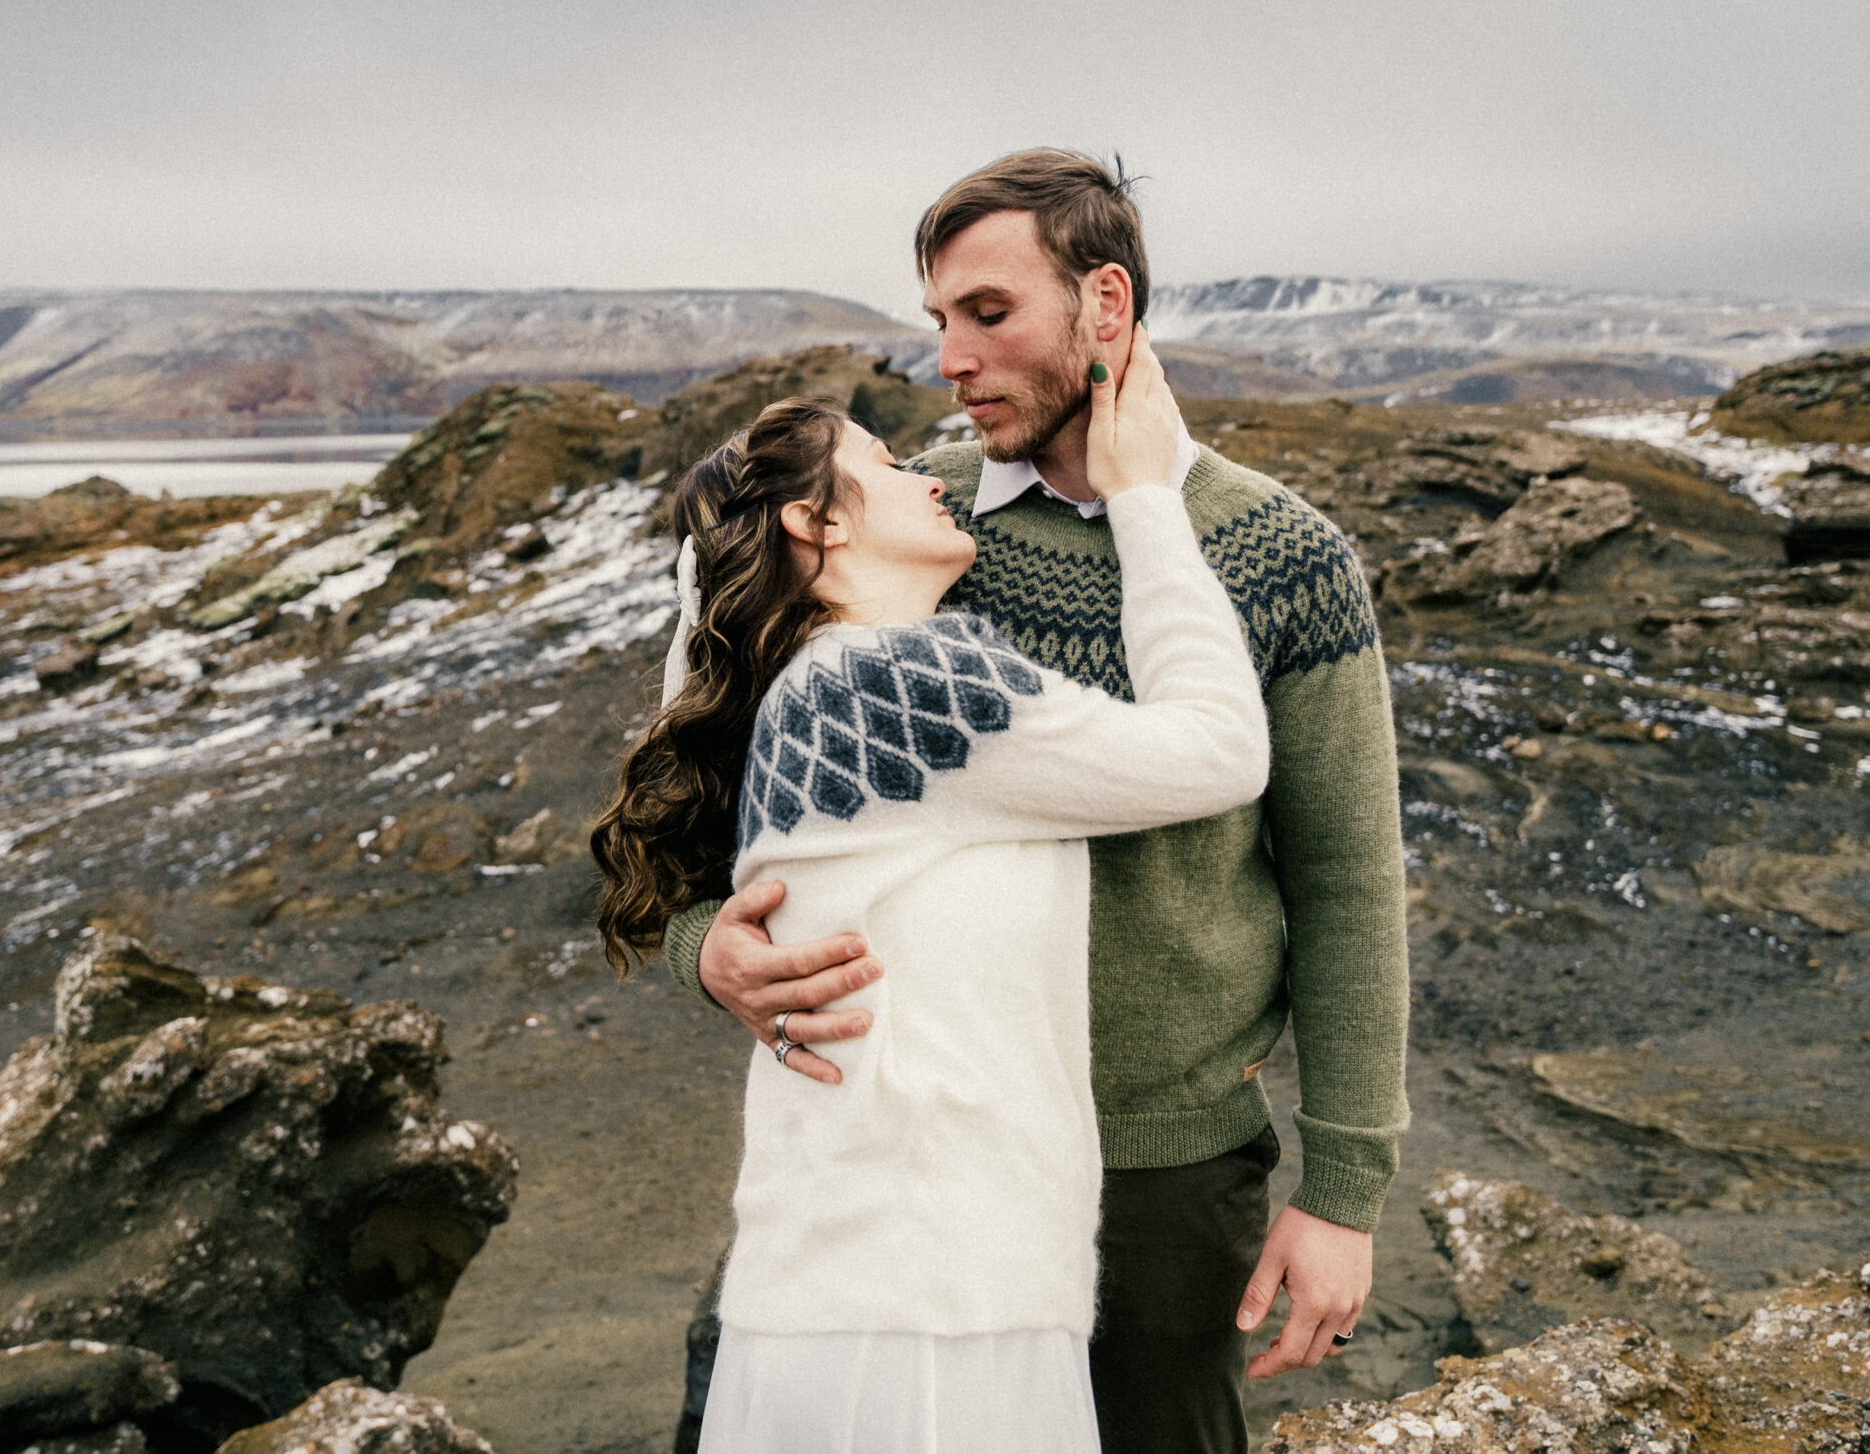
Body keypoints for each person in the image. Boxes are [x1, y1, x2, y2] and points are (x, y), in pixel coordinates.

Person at [660, 150, 1411, 1454]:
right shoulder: (909, 524)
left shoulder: (1283, 556)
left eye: (988, 314)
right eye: (939, 319)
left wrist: (1343, 1187)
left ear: (1104, 306)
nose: (949, 356)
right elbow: (687, 794)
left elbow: (1346, 881)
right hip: (895, 1175)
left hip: (1162, 1172)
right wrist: (707, 948)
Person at [592, 334, 1269, 1454]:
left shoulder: (807, 686)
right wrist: (1146, 501)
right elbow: (1216, 754)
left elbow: (690, 687)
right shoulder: (900, 682)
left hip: (843, 1283)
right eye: (889, 462)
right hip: (936, 1308)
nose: (930, 474)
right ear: (819, 521)